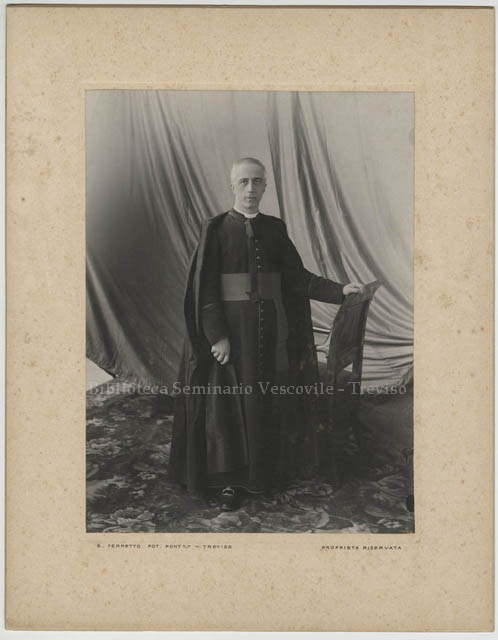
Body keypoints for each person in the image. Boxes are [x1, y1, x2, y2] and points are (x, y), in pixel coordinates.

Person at [168, 157, 361, 511]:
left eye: (257, 182)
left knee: (260, 402)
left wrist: (340, 290)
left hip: (268, 333)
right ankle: (228, 482)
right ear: (232, 186)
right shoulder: (216, 229)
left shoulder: (274, 229)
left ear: (266, 186)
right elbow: (204, 291)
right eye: (243, 182)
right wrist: (217, 337)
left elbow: (297, 279)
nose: (250, 189)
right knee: (225, 407)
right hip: (230, 335)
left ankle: (258, 475)